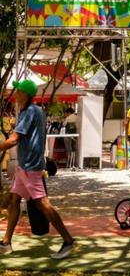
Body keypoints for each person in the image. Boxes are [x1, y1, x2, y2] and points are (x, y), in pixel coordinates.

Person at [0, 80, 80, 259]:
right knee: (14, 202)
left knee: (42, 204)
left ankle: (69, 241)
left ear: (26, 94)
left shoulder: (28, 112)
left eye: (18, 91)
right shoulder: (38, 111)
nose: (15, 93)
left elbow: (14, 140)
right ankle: (6, 243)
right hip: (25, 166)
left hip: (30, 166)